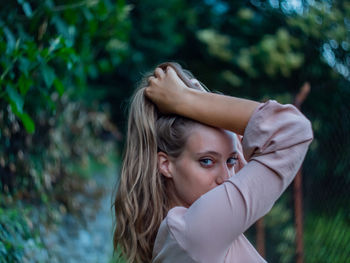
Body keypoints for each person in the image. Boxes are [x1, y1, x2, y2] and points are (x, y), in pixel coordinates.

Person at [113, 62, 313, 263]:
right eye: (207, 161)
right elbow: (292, 129)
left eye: (231, 160)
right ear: (165, 164)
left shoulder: (180, 235)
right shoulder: (195, 234)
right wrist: (184, 99)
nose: (226, 178)